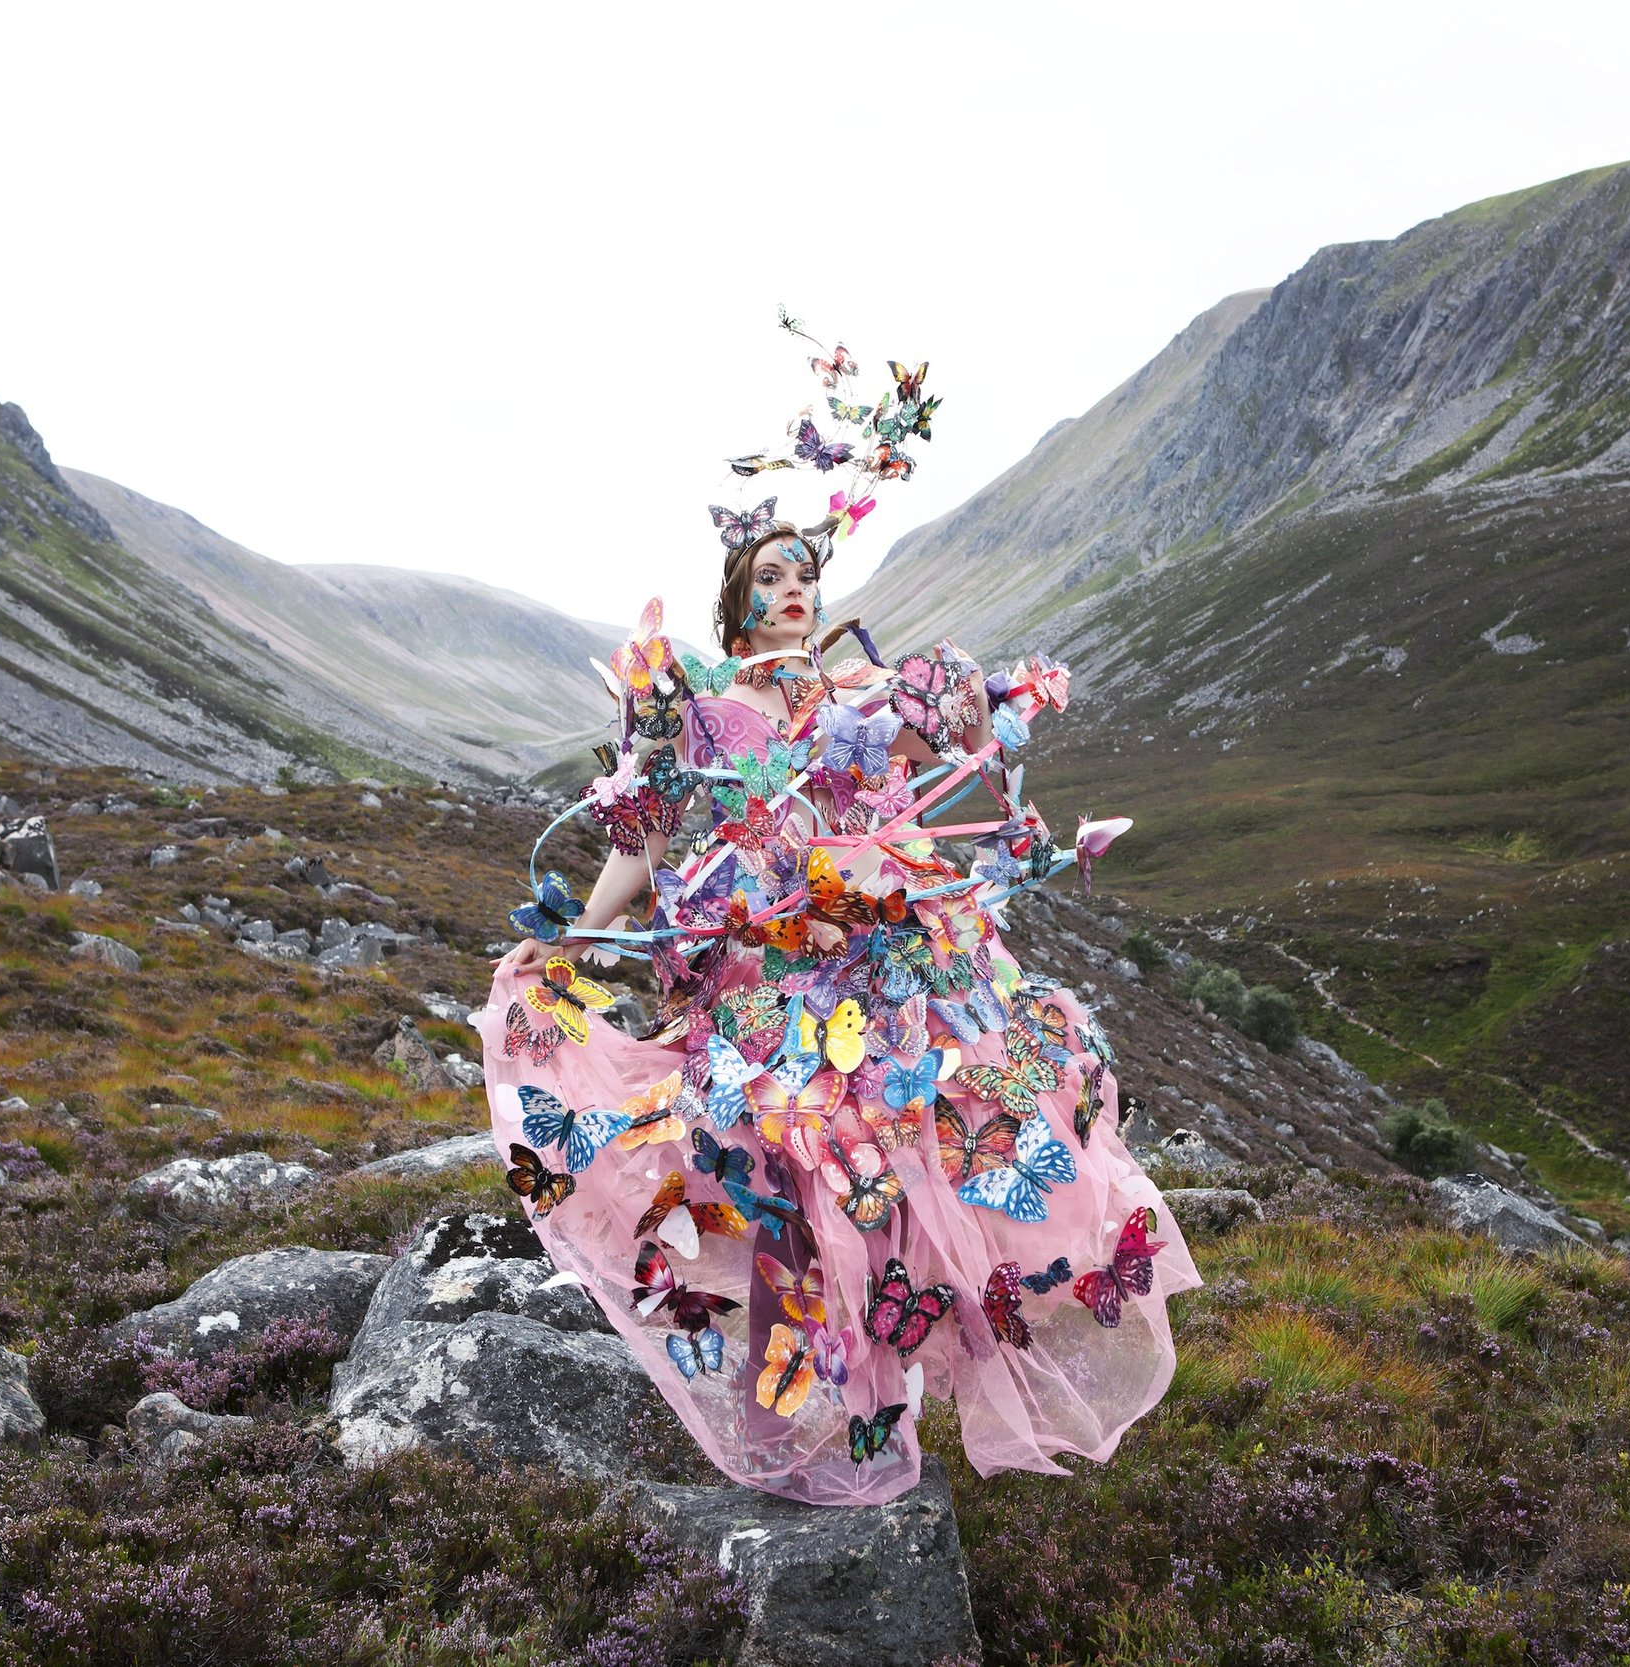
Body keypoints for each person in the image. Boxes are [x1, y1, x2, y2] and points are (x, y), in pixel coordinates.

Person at [478, 356, 1193, 1507]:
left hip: (870, 976)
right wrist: (570, 939)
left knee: (899, 1182)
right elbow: (645, 838)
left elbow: (916, 793)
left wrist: (980, 713)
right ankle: (780, 1425)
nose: (795, 588)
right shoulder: (697, 704)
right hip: (756, 984)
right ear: (736, 599)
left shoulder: (854, 702)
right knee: (773, 1192)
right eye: (771, 575)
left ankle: (881, 1397)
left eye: (806, 572)